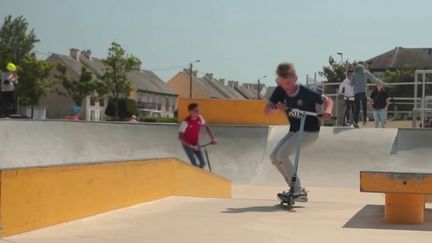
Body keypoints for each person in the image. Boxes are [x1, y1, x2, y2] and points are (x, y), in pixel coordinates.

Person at [265, 62, 333, 202]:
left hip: (309, 131)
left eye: (288, 83)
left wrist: (327, 111)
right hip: (295, 130)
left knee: (282, 154)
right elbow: (268, 108)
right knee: (274, 157)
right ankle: (294, 188)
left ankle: (297, 188)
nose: (286, 88)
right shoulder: (280, 90)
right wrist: (274, 107)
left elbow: (328, 100)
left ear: (295, 78)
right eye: (282, 83)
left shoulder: (306, 92)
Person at [178, 103, 218, 168]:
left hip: (195, 143)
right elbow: (180, 137)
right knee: (194, 164)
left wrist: (213, 138)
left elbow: (206, 127)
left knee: (203, 163)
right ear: (190, 111)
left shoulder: (200, 117)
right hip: (187, 145)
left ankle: (197, 174)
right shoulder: (185, 122)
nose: (198, 112)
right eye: (196, 110)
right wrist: (191, 146)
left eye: (198, 110)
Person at [350, 64, 381, 128]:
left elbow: (351, 84)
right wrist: (379, 82)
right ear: (362, 68)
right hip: (363, 92)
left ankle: (355, 121)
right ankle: (364, 119)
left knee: (357, 108)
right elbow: (373, 78)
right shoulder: (365, 72)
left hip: (356, 93)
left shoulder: (354, 74)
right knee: (364, 106)